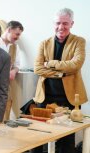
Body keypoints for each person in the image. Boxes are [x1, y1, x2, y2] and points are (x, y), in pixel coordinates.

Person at [32, 8, 88, 153]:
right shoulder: (44, 43)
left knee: (67, 141)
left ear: (72, 24)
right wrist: (61, 74)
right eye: (58, 23)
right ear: (53, 23)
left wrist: (50, 63)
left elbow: (75, 65)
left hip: (69, 99)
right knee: (38, 135)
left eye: (65, 23)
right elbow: (38, 69)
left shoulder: (79, 42)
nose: (61, 27)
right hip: (45, 97)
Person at [0, 20, 24, 121]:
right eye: (17, 34)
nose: (18, 37)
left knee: (5, 110)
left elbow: (17, 65)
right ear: (8, 29)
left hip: (5, 86)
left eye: (19, 35)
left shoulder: (16, 47)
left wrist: (14, 71)